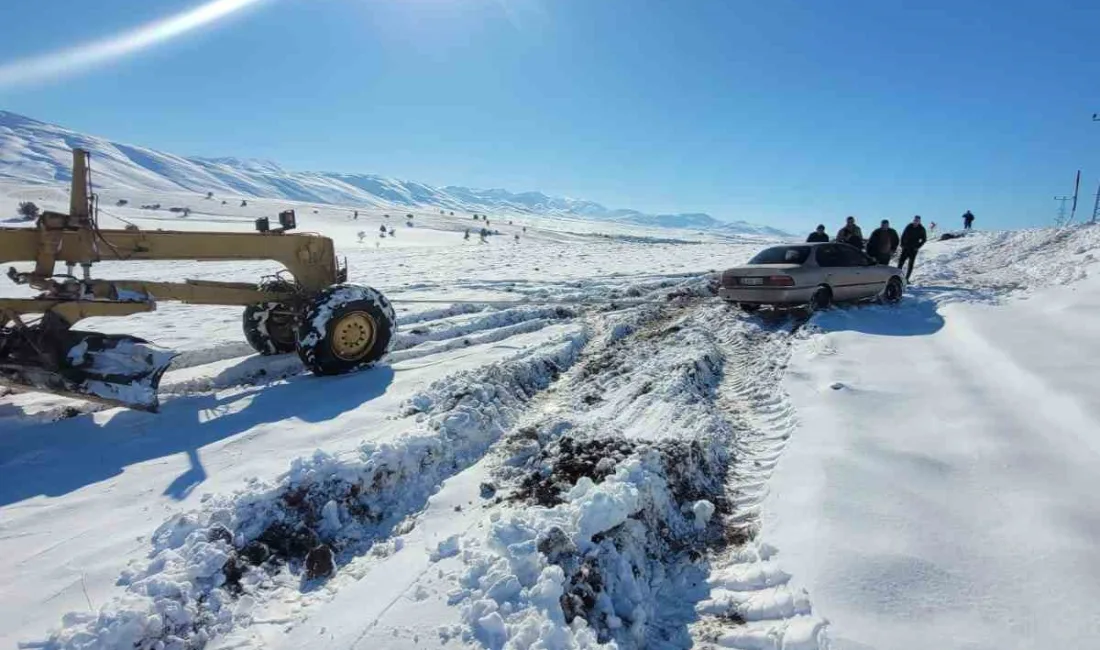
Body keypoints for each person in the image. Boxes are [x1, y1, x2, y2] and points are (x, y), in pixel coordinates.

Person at [897, 215, 927, 281]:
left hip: (914, 249)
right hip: (906, 248)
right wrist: (902, 244)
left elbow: (924, 239)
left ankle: (906, 279)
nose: (916, 222)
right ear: (913, 220)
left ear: (919, 221)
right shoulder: (909, 226)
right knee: (900, 263)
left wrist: (918, 246)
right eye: (915, 220)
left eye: (917, 221)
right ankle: (897, 277)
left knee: (910, 264)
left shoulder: (921, 229)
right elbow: (903, 235)